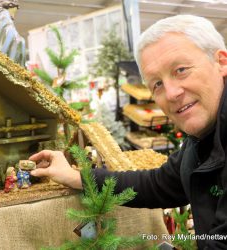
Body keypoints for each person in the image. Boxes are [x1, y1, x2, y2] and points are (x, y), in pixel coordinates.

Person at [29, 15, 227, 249]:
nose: (172, 93)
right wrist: (77, 177)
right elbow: (159, 184)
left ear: (221, 62)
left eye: (181, 70)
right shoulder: (201, 140)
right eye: (157, 84)